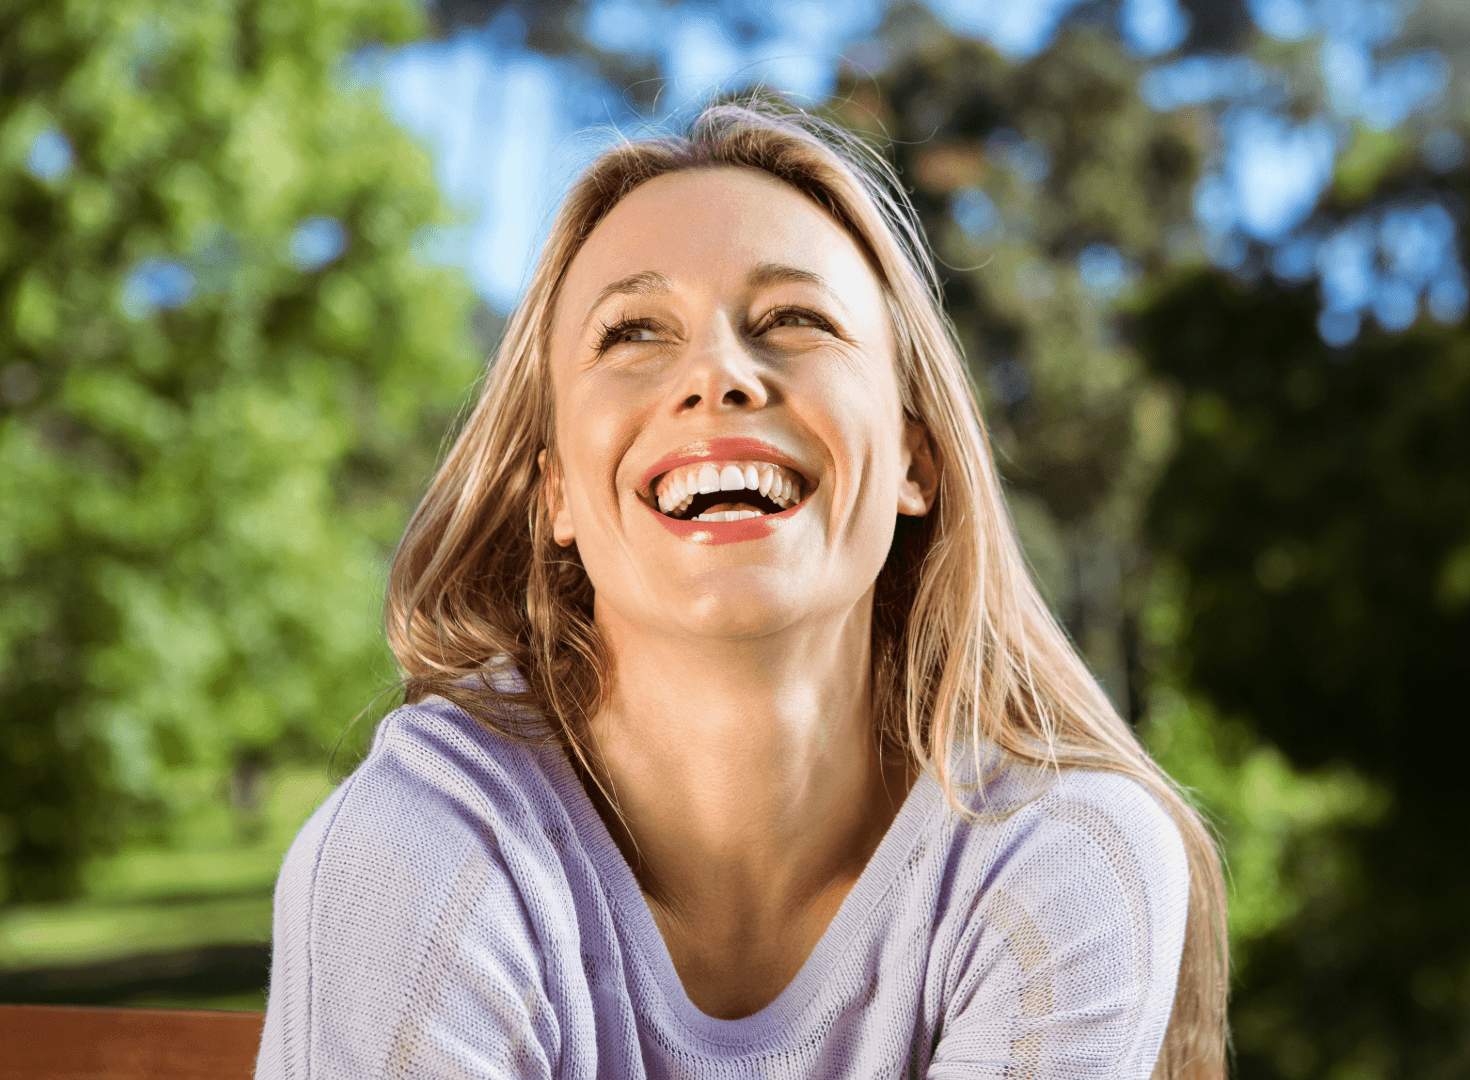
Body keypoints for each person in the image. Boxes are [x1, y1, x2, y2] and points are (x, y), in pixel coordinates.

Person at [255, 101, 1228, 1080]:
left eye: (795, 320)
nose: (719, 373)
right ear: (555, 491)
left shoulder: (1060, 858)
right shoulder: (412, 853)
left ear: (914, 462)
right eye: (634, 332)